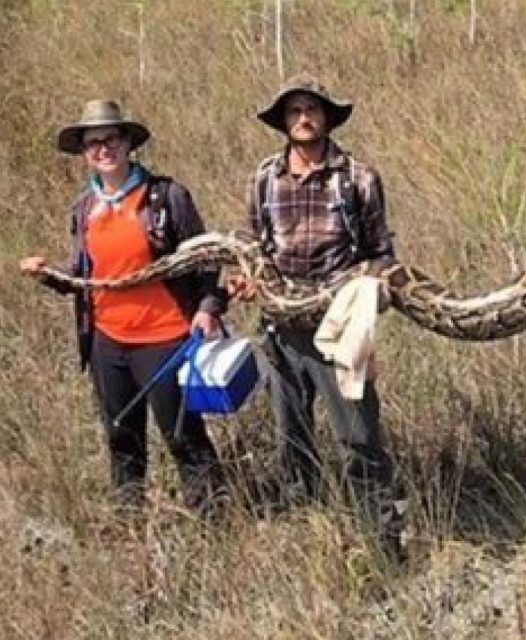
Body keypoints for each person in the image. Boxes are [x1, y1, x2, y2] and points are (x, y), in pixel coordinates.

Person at [19, 100, 228, 517]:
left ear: (128, 142)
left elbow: (206, 257)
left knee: (182, 434)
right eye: (93, 142)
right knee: (121, 435)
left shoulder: (166, 196)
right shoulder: (84, 210)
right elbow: (89, 277)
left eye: (111, 138)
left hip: (166, 338)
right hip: (107, 342)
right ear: (84, 153)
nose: (103, 149)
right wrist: (48, 276)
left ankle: (215, 522)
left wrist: (207, 307)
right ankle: (129, 522)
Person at [228, 74, 405, 565]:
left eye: (312, 109)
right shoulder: (264, 177)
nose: (304, 118)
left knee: (359, 437)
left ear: (327, 117)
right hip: (281, 330)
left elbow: (380, 255)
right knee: (293, 437)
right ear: (284, 122)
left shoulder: (358, 177)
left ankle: (383, 541)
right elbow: (251, 244)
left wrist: (359, 291)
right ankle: (307, 538)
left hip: (340, 330)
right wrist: (244, 281)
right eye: (294, 111)